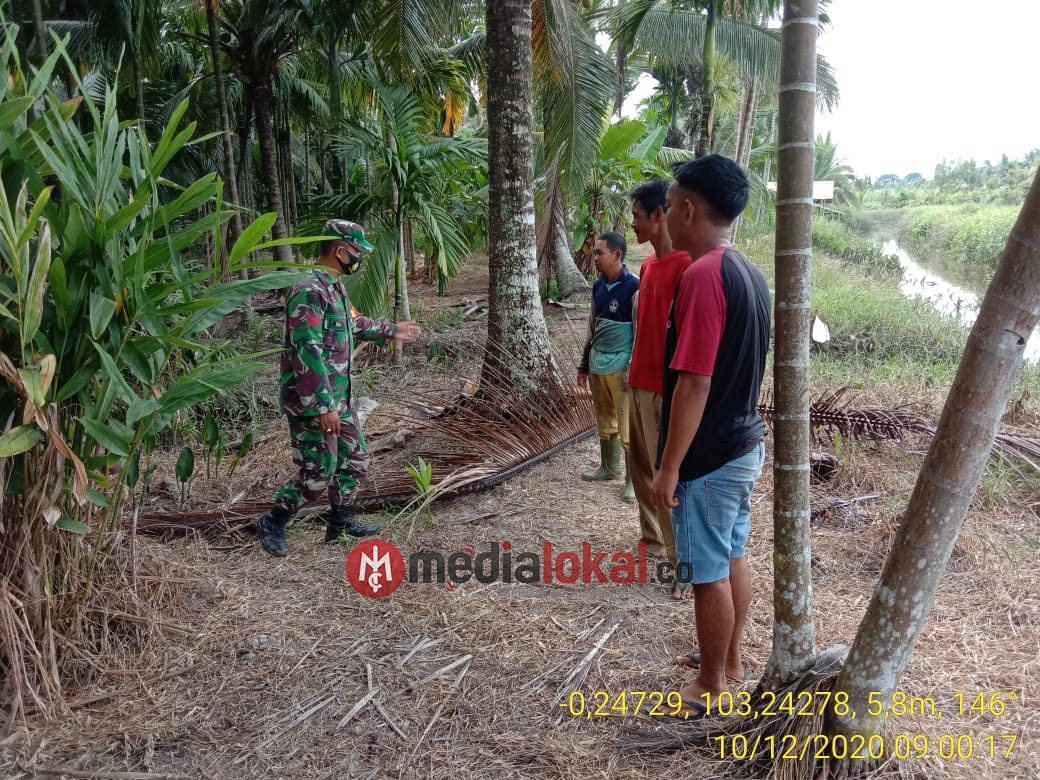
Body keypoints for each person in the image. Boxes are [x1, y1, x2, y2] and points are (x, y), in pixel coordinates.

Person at [650, 156, 770, 718]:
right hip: (744, 442)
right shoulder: (749, 271)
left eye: (670, 206)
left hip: (711, 453)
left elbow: (695, 382)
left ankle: (710, 684)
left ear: (690, 210)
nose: (667, 215)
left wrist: (670, 465)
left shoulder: (701, 276)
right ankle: (731, 660)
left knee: (706, 571)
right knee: (732, 554)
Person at [256, 219, 421, 557]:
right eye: (357, 252)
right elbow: (307, 349)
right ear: (340, 250)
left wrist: (392, 331)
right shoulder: (308, 290)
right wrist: (321, 407)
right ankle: (274, 520)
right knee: (318, 473)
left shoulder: (335, 287)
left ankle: (340, 522)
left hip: (338, 398)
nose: (359, 258)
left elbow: (354, 323)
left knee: (356, 459)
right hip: (313, 402)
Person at [626, 180, 692, 595]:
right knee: (638, 468)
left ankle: (680, 564)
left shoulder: (686, 267)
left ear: (658, 215)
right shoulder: (648, 266)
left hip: (662, 390)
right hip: (637, 381)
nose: (632, 223)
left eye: (637, 215)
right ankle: (651, 539)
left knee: (664, 478)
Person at [577, 232, 640, 498]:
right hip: (598, 364)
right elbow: (592, 325)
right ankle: (609, 466)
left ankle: (633, 481)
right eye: (594, 254)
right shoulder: (597, 287)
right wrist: (584, 365)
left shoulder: (636, 287)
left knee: (628, 425)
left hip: (622, 366)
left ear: (617, 255)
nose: (595, 258)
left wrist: (632, 366)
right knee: (604, 419)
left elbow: (641, 331)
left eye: (599, 253)